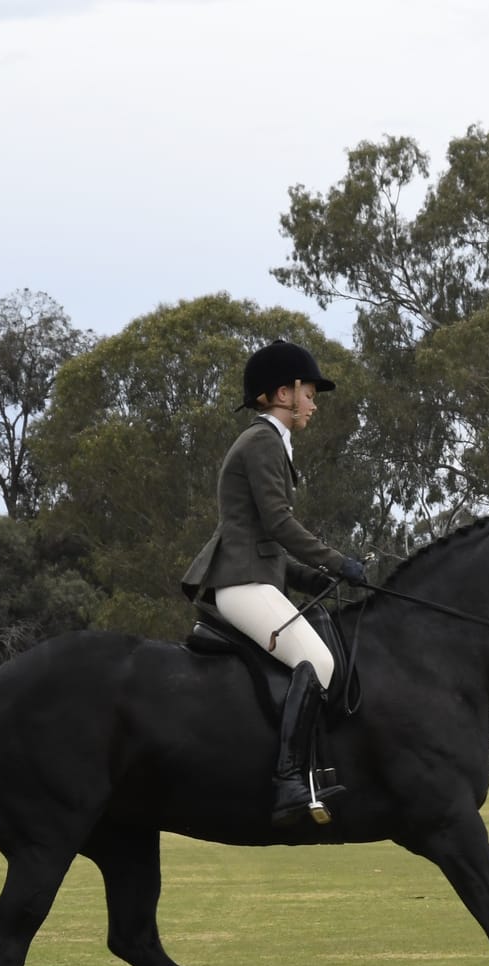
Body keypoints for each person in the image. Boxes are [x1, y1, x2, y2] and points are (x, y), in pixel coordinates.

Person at [180, 338, 368, 825]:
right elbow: (281, 524)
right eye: (309, 391)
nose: (313, 402)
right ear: (282, 394)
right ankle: (288, 781)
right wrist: (336, 560)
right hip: (241, 584)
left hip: (253, 576)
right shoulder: (262, 441)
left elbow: (269, 546)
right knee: (317, 660)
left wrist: (319, 575)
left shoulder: (271, 443)